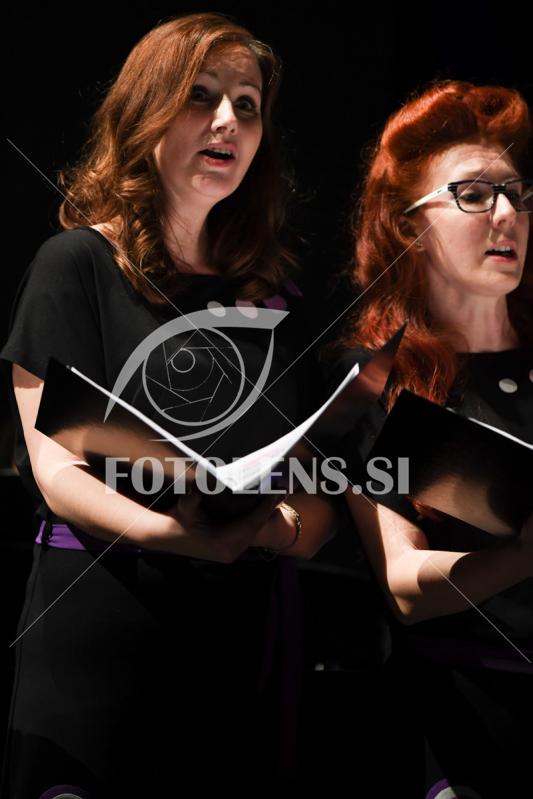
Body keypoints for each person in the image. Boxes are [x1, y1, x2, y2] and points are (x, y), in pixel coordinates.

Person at [0, 13, 335, 799]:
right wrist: (176, 534)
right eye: (200, 95)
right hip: (99, 632)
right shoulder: (76, 263)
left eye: (247, 104)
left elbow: (311, 486)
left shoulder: (274, 298)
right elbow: (55, 466)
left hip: (233, 645)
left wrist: (279, 528)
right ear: (144, 113)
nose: (228, 120)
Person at [333, 81, 533, 798]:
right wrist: (522, 555)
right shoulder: (376, 386)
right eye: (473, 195)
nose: (506, 214)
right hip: (462, 722)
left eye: (516, 194)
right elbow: (404, 583)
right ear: (408, 228)